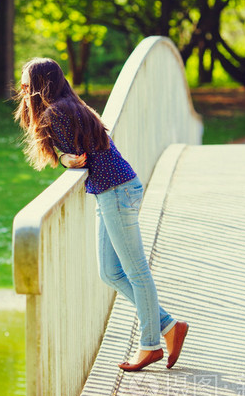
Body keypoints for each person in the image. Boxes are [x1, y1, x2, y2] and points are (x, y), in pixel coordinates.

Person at [14, 57, 189, 371]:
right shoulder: (67, 105)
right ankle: (169, 327)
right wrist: (68, 159)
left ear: (42, 85)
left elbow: (76, 157)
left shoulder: (57, 113)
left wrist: (67, 159)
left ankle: (150, 345)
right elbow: (76, 156)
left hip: (116, 191)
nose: (22, 89)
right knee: (110, 272)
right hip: (113, 189)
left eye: (27, 83)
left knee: (136, 272)